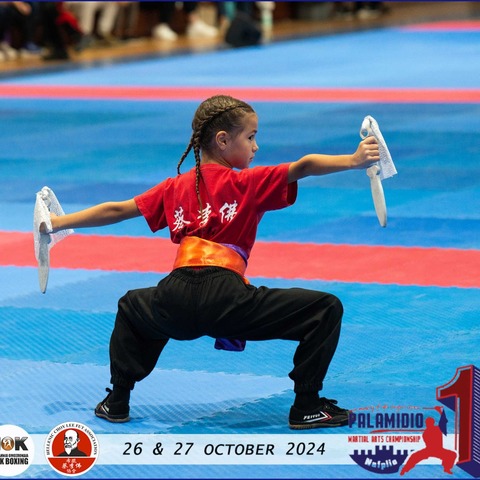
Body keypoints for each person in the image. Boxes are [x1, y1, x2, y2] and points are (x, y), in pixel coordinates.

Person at [42, 94, 379, 430]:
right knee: (325, 309)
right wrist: (354, 160)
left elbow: (116, 209)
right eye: (251, 137)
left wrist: (54, 224)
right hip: (227, 301)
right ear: (222, 140)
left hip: (175, 298)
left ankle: (117, 400)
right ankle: (307, 405)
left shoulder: (174, 187)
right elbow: (303, 166)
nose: (256, 146)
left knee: (132, 306)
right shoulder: (247, 181)